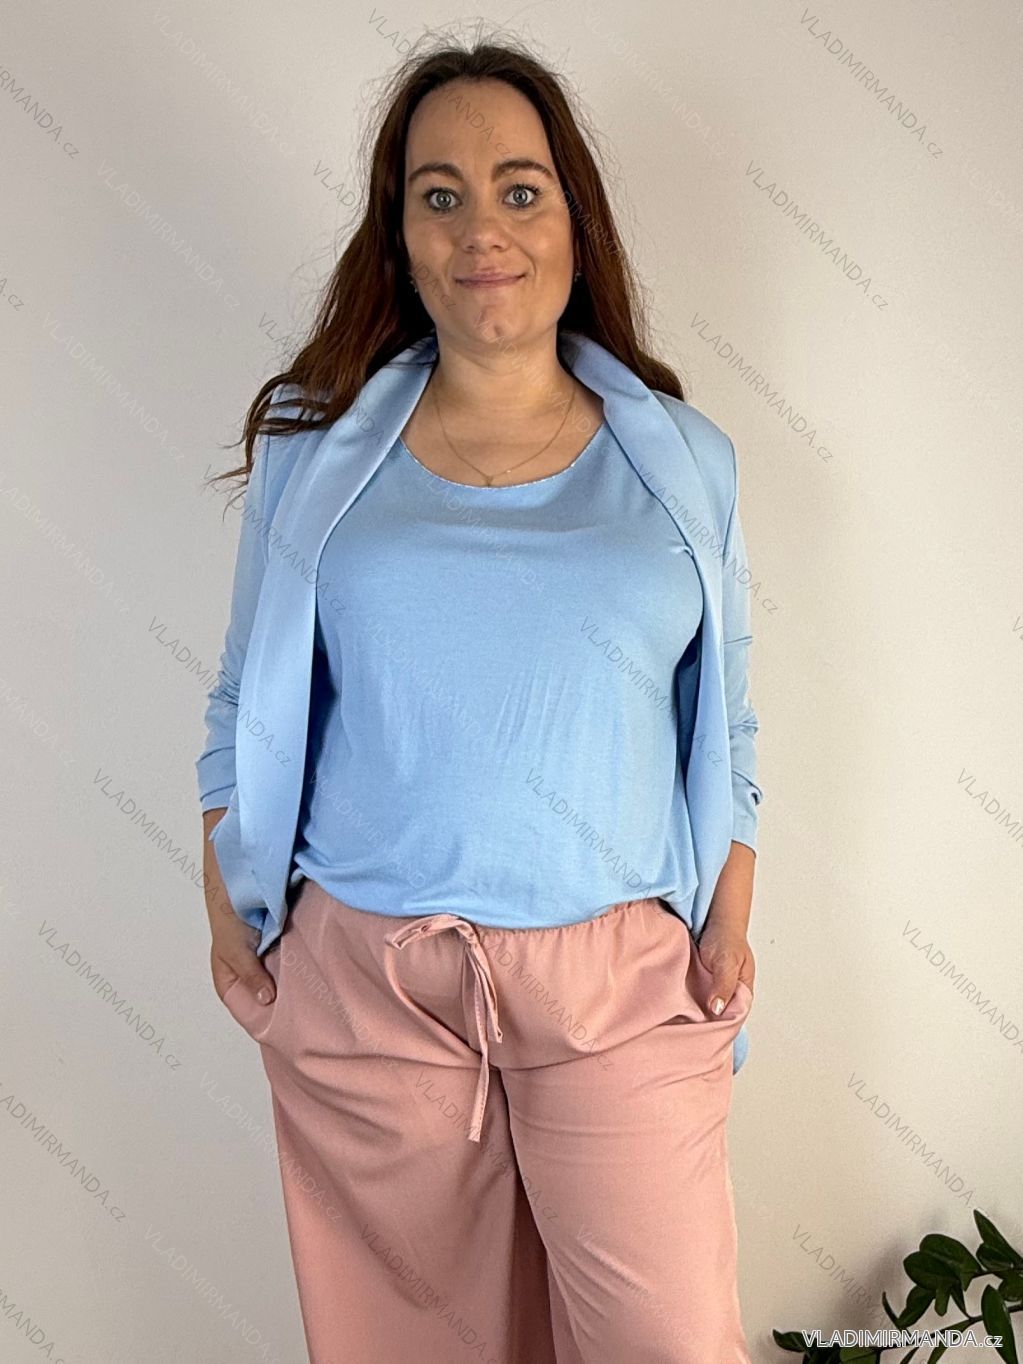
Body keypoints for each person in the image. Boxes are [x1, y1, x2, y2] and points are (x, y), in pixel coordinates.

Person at [197, 34, 763, 1364]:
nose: (481, 229)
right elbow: (245, 694)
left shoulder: (684, 460)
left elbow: (728, 710)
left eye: (520, 189)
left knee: (669, 1342)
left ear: (574, 219)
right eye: (438, 195)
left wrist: (730, 908)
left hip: (619, 988)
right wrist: (227, 889)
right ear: (399, 237)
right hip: (372, 984)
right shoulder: (312, 450)